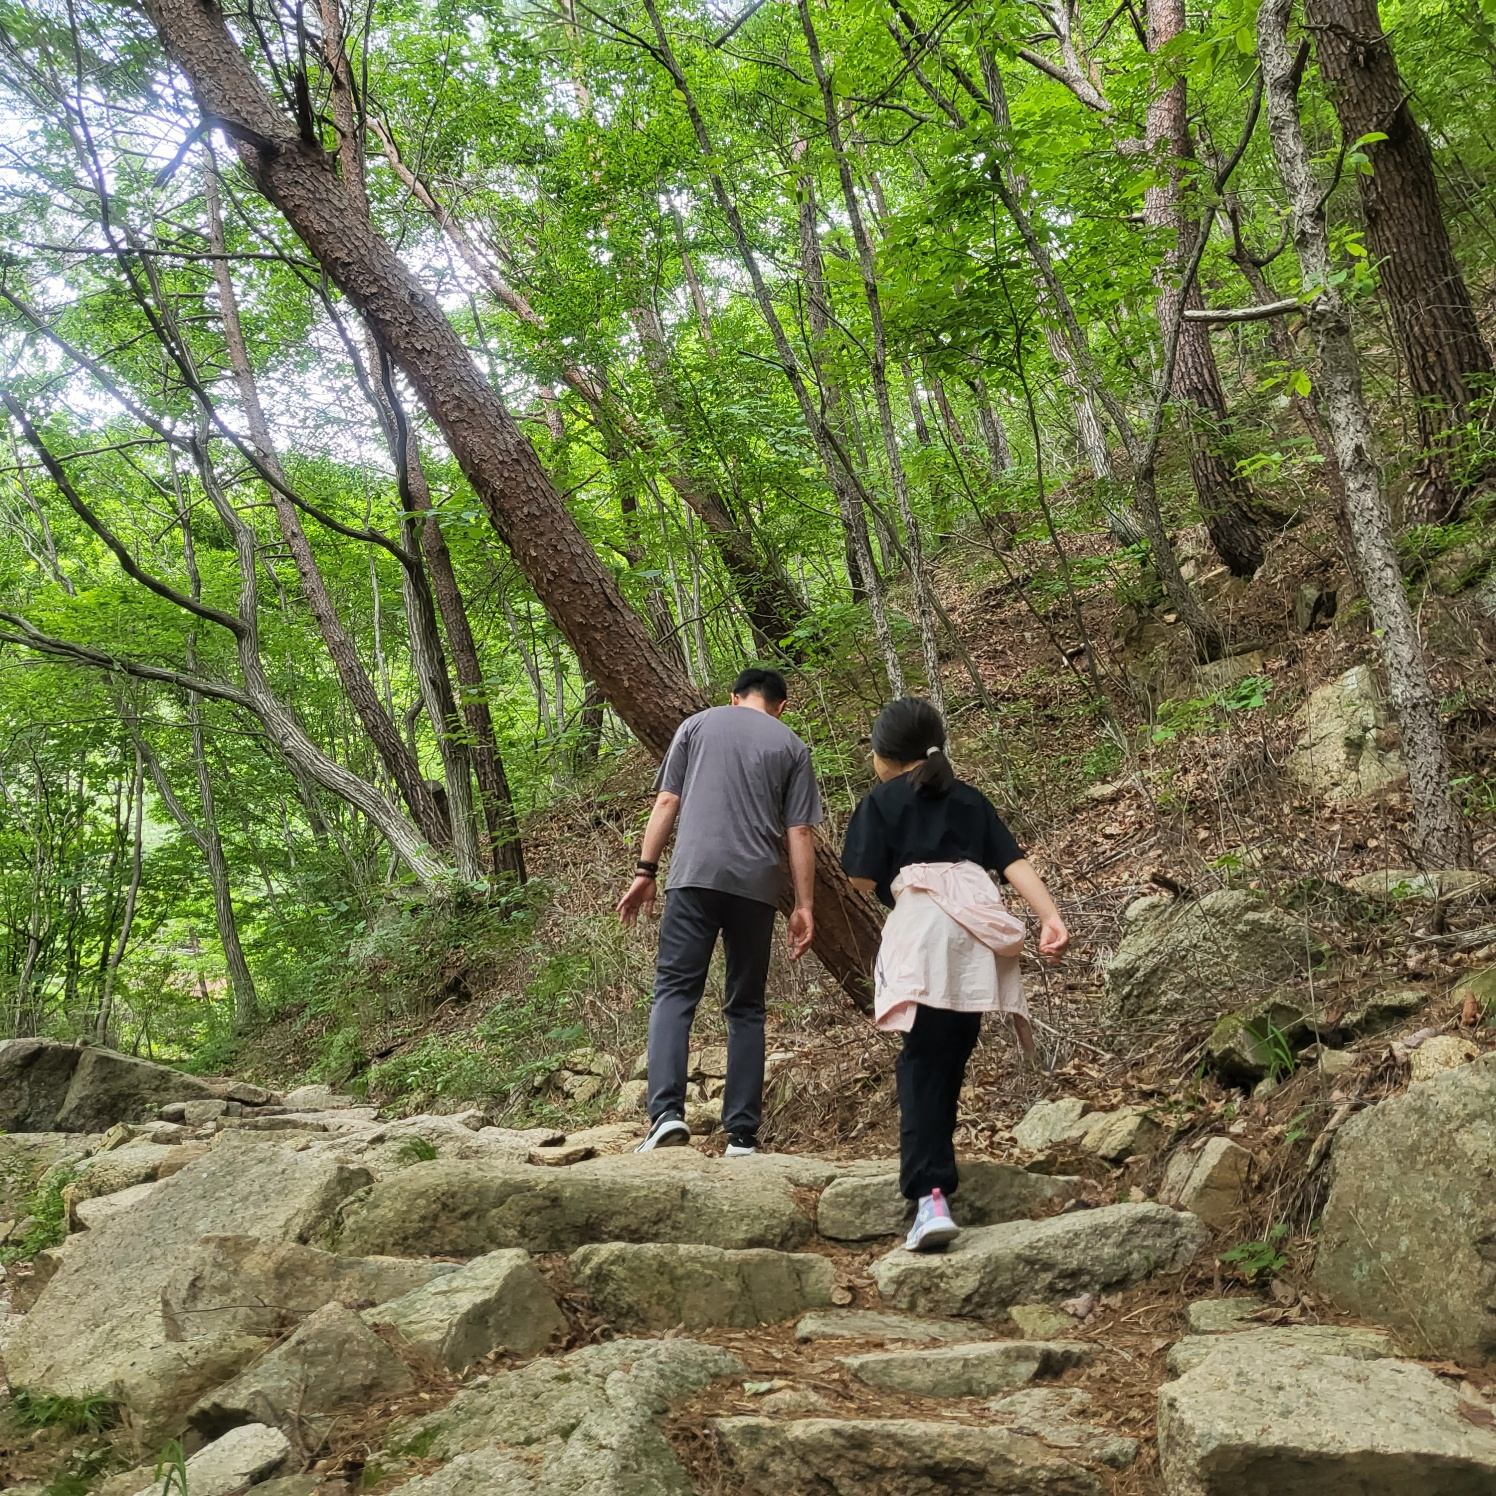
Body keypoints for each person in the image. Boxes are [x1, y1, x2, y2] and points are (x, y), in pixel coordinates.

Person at [841, 697, 1068, 1251]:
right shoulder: (970, 798)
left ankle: (930, 1197)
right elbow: (1013, 862)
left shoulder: (880, 802)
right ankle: (937, 1181)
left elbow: (860, 882)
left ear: (884, 755)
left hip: (925, 936)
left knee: (921, 1061)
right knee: (950, 1052)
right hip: (978, 938)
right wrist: (1050, 917)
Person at [618, 667, 821, 1157]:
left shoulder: (697, 725)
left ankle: (666, 1115)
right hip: (756, 888)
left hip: (693, 878)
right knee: (746, 1007)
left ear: (734, 698)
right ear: (780, 706)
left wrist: (645, 872)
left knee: (674, 992)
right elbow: (800, 833)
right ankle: (744, 1136)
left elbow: (668, 799)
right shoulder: (793, 746)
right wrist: (804, 906)